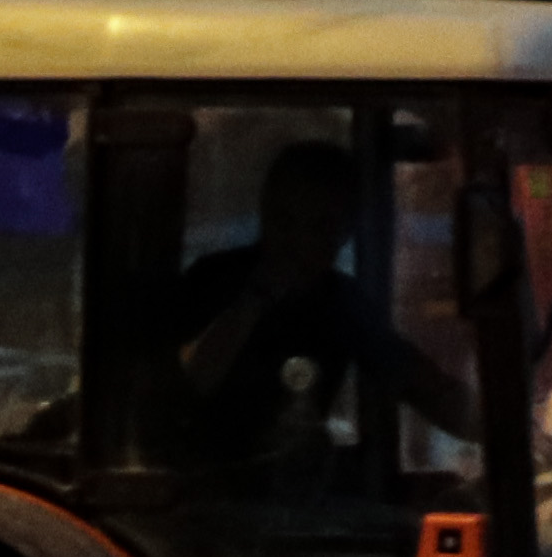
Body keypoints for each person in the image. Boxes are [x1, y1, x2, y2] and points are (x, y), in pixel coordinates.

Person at [159, 139, 472, 475]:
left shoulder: (340, 303)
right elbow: (178, 390)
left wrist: (506, 433)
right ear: (264, 213)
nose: (299, 243)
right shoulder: (216, 279)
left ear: (346, 231)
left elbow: (420, 383)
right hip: (190, 484)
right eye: (284, 221)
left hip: (282, 493)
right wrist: (253, 302)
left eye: (320, 227)